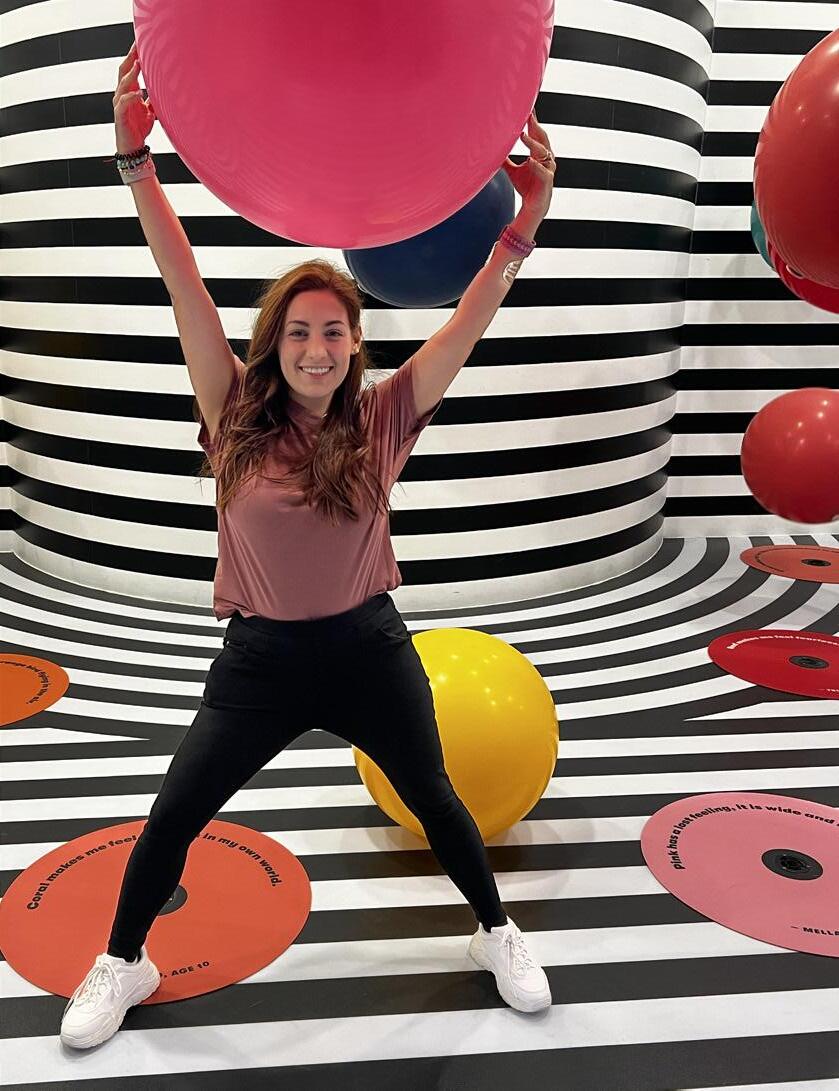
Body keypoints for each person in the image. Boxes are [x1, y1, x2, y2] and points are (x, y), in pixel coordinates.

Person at [61, 42, 557, 1050]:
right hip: (262, 659)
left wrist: (527, 218)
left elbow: (471, 318)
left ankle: (495, 932)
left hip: (369, 647)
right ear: (272, 342)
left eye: (333, 331)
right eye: (298, 331)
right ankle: (124, 958)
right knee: (176, 809)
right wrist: (135, 161)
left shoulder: (384, 417)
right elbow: (181, 278)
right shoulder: (231, 412)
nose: (317, 347)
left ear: (353, 345)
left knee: (436, 798)